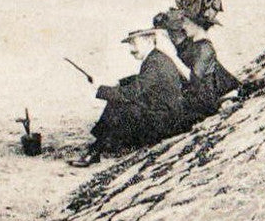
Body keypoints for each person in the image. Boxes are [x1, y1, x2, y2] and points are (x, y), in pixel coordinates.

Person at [72, 28, 189, 167]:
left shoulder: (155, 62)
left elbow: (133, 92)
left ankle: (95, 151)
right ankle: (98, 148)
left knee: (118, 105)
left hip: (166, 122)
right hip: (166, 115)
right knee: (121, 103)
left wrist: (100, 88)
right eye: (130, 45)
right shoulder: (156, 58)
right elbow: (140, 80)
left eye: (134, 44)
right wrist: (117, 83)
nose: (131, 49)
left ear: (149, 41)